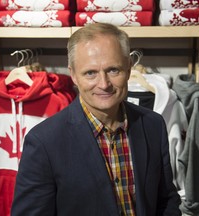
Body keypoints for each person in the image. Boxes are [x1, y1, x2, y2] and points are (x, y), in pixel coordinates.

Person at [11, 23, 181, 216]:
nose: (104, 84)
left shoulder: (153, 125)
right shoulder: (44, 142)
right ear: (73, 75)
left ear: (128, 67)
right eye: (90, 73)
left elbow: (166, 200)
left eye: (113, 70)